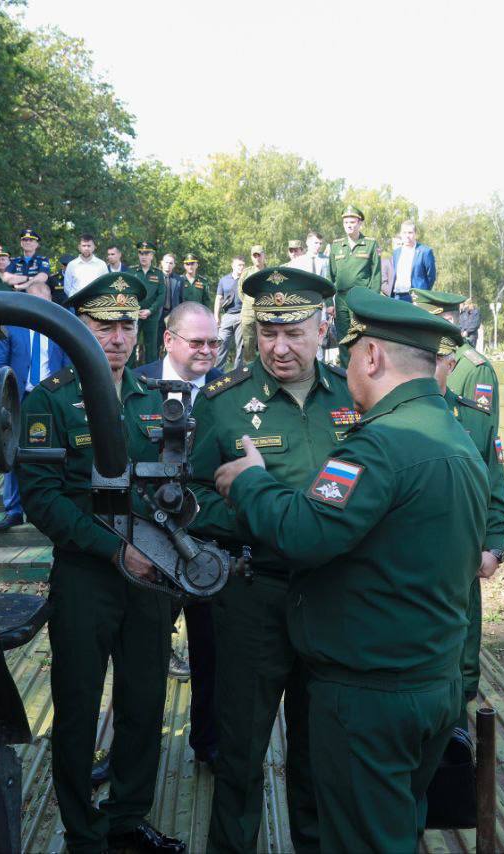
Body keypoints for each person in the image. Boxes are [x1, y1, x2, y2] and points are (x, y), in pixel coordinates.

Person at [211, 287, 485, 851]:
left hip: (371, 696)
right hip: (433, 682)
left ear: (373, 357)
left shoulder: (378, 446)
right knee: (395, 828)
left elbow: (305, 532)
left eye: (353, 352)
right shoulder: (454, 435)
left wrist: (252, 481)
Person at [16, 270, 186, 854]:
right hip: (87, 574)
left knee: (144, 701)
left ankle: (126, 819)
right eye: (102, 325)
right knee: (77, 705)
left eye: (126, 325)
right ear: (77, 329)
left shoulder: (155, 399)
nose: (116, 338)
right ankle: (83, 832)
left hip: (151, 574)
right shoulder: (49, 399)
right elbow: (42, 498)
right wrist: (115, 549)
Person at [188, 267, 349, 853]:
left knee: (319, 749)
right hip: (254, 593)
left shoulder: (353, 396)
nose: (279, 348)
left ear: (323, 328)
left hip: (333, 596)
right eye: (267, 332)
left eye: (294, 333)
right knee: (239, 750)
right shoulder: (225, 402)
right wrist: (261, 517)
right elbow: (192, 496)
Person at [136, 301, 224, 760]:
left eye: (214, 342)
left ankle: (209, 745)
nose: (208, 351)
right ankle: (133, 755)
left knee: (213, 651)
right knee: (142, 657)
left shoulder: (229, 390)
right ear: (168, 340)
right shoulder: (135, 386)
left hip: (208, 542)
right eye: (198, 342)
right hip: (149, 543)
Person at [434, 335, 504, 725]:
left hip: (463, 567)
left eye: (435, 360)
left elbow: (495, 485)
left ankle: (458, 736)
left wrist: (494, 548)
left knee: (464, 667)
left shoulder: (474, 418)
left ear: (451, 365)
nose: (424, 369)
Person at [0, 280, 67, 532]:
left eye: (44, 305)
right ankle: (13, 510)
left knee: (53, 449)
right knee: (11, 449)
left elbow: (68, 366)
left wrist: (60, 393)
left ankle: (53, 506)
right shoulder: (11, 328)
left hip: (51, 396)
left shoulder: (60, 329)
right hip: (18, 397)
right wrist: (1, 396)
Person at [412, 290, 501, 430]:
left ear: (449, 321)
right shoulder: (421, 358)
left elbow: (477, 431)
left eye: (425, 322)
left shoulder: (476, 370)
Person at [327, 204, 381, 366]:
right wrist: (329, 303)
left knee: (361, 336)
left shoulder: (370, 244)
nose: (349, 225)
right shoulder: (336, 245)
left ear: (360, 223)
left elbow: (376, 275)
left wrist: (372, 301)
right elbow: (330, 276)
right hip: (341, 299)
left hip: (361, 298)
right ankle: (345, 372)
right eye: (346, 222)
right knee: (344, 338)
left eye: (352, 222)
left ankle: (363, 371)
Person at [133, 241, 167, 365]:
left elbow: (161, 295)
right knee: (131, 344)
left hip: (151, 316)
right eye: (141, 253)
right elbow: (126, 293)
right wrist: (134, 310)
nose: (143, 256)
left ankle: (150, 373)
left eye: (146, 253)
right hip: (134, 315)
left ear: (152, 255)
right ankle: (128, 372)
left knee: (151, 347)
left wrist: (150, 310)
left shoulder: (158, 274)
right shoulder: (132, 272)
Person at [390, 220, 437, 301]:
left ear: (415, 234)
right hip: (397, 296)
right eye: (404, 232)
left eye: (410, 232)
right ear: (401, 234)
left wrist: (423, 293)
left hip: (416, 297)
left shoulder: (425, 252)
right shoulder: (396, 252)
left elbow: (431, 276)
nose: (407, 236)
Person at [236, 245, 267, 367]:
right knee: (248, 342)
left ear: (264, 255)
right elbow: (240, 291)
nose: (257, 258)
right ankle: (250, 367)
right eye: (255, 256)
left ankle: (266, 366)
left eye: (259, 255)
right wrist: (249, 302)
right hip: (248, 312)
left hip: (265, 311)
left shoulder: (269, 272)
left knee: (266, 339)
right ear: (251, 257)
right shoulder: (246, 272)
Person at [214, 257, 246, 370]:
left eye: (243, 265)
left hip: (242, 315)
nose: (241, 267)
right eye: (239, 265)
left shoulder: (246, 280)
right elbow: (219, 298)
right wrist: (216, 316)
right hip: (227, 316)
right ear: (232, 266)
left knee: (241, 347)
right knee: (221, 344)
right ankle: (218, 373)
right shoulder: (224, 280)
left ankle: (238, 373)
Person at [3, 228, 52, 293]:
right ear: (21, 243)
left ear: (37, 244)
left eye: (31, 240)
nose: (27, 242)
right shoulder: (14, 261)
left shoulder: (43, 260)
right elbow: (6, 277)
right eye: (25, 240)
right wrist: (27, 278)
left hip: (36, 296)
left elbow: (42, 277)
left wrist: (25, 285)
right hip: (18, 296)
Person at [64, 234, 108, 299]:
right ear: (79, 247)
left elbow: (105, 285)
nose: (86, 248)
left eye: (89, 246)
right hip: (76, 302)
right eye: (84, 246)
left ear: (94, 247)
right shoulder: (72, 265)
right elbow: (67, 287)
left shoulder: (101, 265)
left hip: (96, 302)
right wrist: (74, 299)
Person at [158, 252, 182, 331]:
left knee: (171, 336)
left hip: (172, 314)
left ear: (174, 265)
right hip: (157, 314)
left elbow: (181, 299)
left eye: (171, 263)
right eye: (166, 262)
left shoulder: (179, 280)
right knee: (156, 337)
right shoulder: (155, 277)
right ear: (162, 263)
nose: (168, 265)